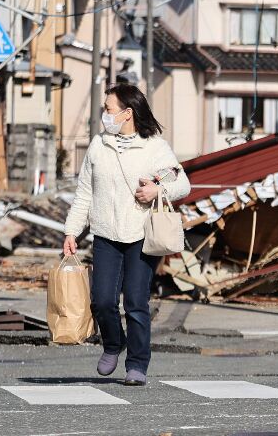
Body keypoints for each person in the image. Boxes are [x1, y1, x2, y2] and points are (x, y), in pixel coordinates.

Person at [63, 82, 190, 387]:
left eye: (108, 109)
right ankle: (112, 343)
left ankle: (137, 364)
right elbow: (84, 194)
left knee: (135, 301)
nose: (104, 115)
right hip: (105, 233)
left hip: (140, 236)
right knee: (103, 300)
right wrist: (71, 232)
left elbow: (182, 183)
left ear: (127, 113)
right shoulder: (98, 146)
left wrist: (158, 189)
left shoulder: (154, 147)